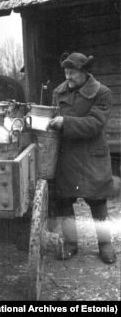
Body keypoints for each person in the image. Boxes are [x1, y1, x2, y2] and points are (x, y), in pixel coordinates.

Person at [49, 52, 116, 264]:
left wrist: (65, 122)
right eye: (66, 73)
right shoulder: (58, 92)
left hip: (91, 156)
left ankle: (105, 244)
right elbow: (52, 119)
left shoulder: (102, 93)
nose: (68, 77)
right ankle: (71, 243)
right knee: (64, 201)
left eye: (72, 73)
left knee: (98, 202)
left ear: (85, 72)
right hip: (67, 156)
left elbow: (95, 124)